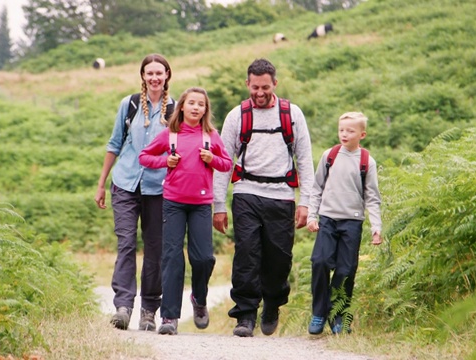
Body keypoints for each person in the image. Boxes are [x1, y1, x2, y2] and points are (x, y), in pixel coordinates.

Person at [212, 58, 315, 337]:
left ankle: (272, 304)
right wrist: (218, 205)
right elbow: (223, 162)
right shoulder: (237, 116)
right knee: (246, 253)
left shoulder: (292, 114)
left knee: (279, 257)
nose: (259, 92)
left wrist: (306, 203)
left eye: (265, 87)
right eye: (254, 87)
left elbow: (305, 160)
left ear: (275, 84)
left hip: (282, 196)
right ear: (247, 84)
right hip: (246, 192)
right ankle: (245, 315)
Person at [139, 87, 232, 335]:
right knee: (171, 258)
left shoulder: (211, 136)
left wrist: (212, 159)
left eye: (200, 104)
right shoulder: (170, 135)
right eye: (191, 103)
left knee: (203, 258)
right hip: (173, 202)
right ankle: (169, 318)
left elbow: (227, 164)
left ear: (205, 109)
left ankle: (199, 299)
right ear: (181, 106)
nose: (195, 107)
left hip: (201, 204)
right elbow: (144, 156)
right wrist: (164, 161)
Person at [94, 54, 174, 332]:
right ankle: (123, 307)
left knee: (155, 250)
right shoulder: (128, 105)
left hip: (160, 188)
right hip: (125, 184)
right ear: (142, 76)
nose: (154, 78)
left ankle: (149, 310)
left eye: (159, 73)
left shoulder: (175, 110)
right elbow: (114, 143)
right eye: (149, 73)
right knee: (126, 243)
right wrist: (102, 182)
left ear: (167, 76)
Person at [306, 111, 383, 335]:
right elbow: (316, 188)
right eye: (341, 130)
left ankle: (339, 316)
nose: (344, 134)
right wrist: (312, 216)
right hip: (327, 220)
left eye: (350, 130)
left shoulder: (366, 161)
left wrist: (376, 227)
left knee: (346, 270)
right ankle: (319, 313)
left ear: (362, 134)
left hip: (352, 222)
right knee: (319, 262)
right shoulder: (329, 155)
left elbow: (372, 197)